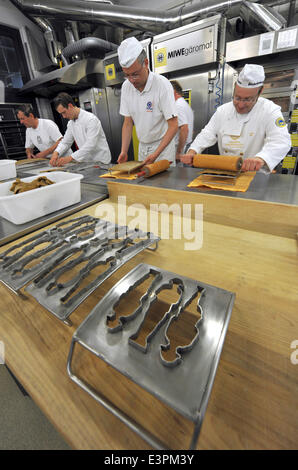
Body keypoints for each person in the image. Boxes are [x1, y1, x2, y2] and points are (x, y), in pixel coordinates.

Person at [180, 64, 291, 172]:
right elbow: (207, 134)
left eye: (248, 99)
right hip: (227, 172)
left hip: (256, 176)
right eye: (237, 98)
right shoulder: (223, 111)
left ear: (260, 91)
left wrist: (261, 158)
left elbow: (281, 141)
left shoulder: (269, 110)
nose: (241, 105)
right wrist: (192, 151)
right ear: (234, 89)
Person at [117, 37, 178, 166]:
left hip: (163, 148)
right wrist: (124, 150)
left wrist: (156, 154)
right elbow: (128, 122)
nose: (131, 80)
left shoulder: (162, 84)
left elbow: (173, 125)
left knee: (163, 184)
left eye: (135, 74)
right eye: (127, 75)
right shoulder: (126, 87)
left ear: (146, 63)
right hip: (143, 147)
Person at [50, 92, 111, 167]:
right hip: (86, 162)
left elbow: (90, 144)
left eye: (64, 112)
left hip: (100, 161)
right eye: (61, 114)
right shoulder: (71, 123)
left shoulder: (91, 119)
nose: (64, 116)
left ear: (70, 106)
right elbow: (66, 142)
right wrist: (56, 152)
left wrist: (70, 157)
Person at [171, 80, 194, 163]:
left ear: (173, 92)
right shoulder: (184, 104)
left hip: (182, 148)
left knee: (179, 174)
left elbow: (184, 128)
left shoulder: (177, 105)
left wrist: (178, 152)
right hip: (187, 145)